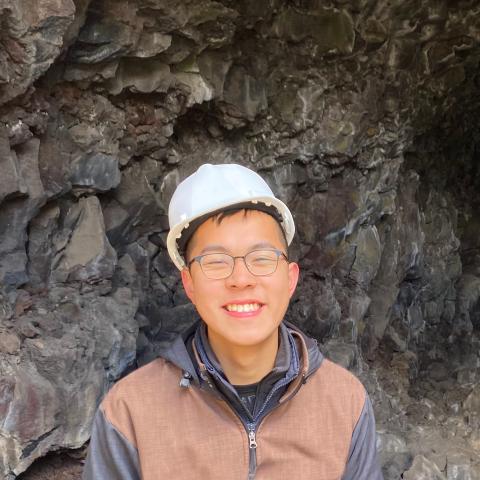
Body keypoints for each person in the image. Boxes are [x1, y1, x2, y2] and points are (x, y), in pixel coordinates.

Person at [83, 163, 383, 479]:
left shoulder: (344, 402)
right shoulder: (130, 412)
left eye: (262, 259)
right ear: (189, 284)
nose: (241, 279)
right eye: (215, 262)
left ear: (290, 279)